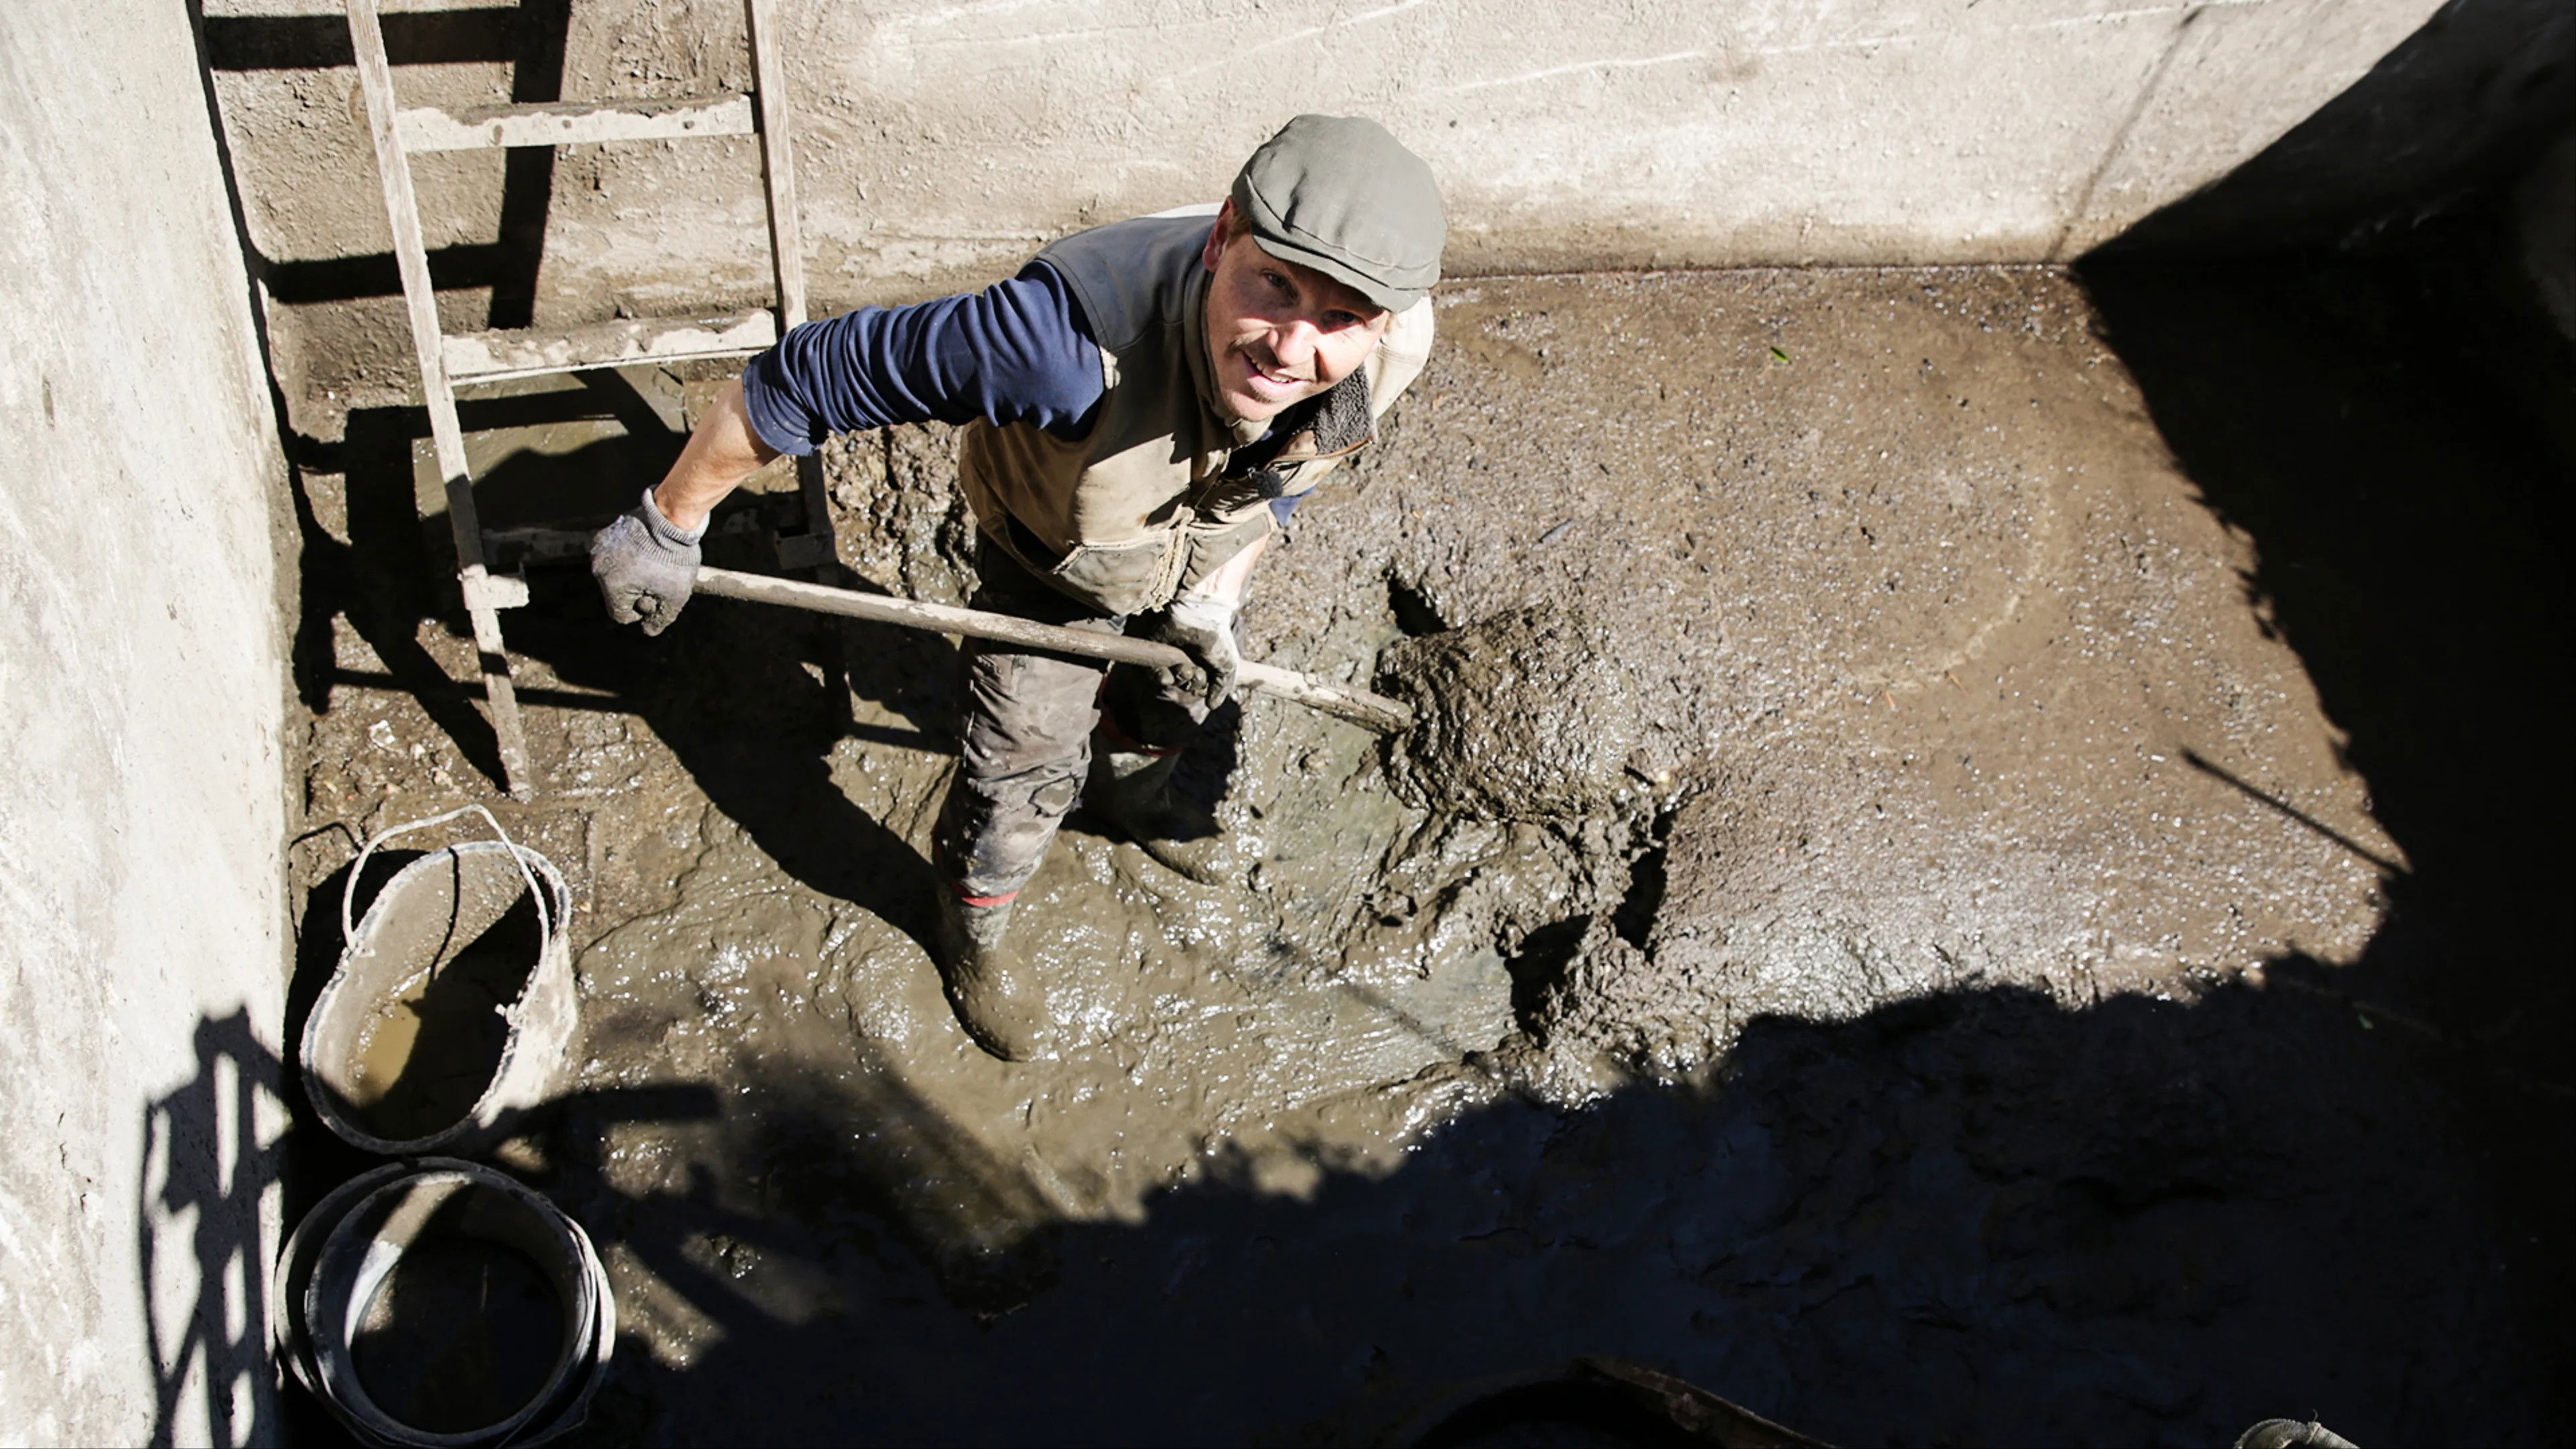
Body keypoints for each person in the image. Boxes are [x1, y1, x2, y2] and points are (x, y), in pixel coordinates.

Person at [590, 115, 1443, 1061]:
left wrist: (1213, 601)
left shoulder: (1390, 351)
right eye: (1272, 287)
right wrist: (669, 522)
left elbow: (1287, 478)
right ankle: (974, 926)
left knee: (1180, 690)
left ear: (1384, 319)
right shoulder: (1059, 344)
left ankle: (1126, 794)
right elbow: (803, 379)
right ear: (1221, 235)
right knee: (1020, 765)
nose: (1291, 349)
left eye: (1339, 320)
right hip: (1054, 551)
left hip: (1197, 538)